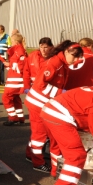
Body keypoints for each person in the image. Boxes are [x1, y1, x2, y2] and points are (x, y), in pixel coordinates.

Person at [24, 40, 83, 173]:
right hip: (38, 103)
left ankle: (31, 154)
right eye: (74, 56)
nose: (76, 60)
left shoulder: (61, 63)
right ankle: (37, 162)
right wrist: (62, 93)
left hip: (42, 102)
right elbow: (41, 85)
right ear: (66, 51)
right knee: (40, 135)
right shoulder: (55, 63)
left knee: (39, 134)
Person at [0, 33, 28, 126]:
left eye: (11, 41)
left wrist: (9, 65)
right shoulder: (19, 51)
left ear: (15, 41)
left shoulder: (20, 52)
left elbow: (21, 66)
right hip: (15, 78)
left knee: (6, 98)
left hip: (15, 80)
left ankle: (13, 117)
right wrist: (9, 64)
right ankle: (20, 117)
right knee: (15, 98)